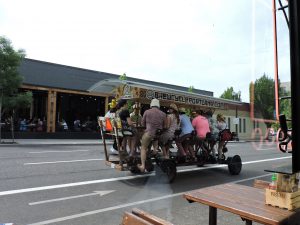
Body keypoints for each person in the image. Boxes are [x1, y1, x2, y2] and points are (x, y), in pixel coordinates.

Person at [137, 99, 166, 173]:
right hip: (157, 135)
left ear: (151, 105)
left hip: (148, 134)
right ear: (158, 105)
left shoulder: (147, 112)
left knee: (143, 148)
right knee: (155, 148)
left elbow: (142, 124)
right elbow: (164, 126)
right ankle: (153, 154)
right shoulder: (163, 114)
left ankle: (143, 166)